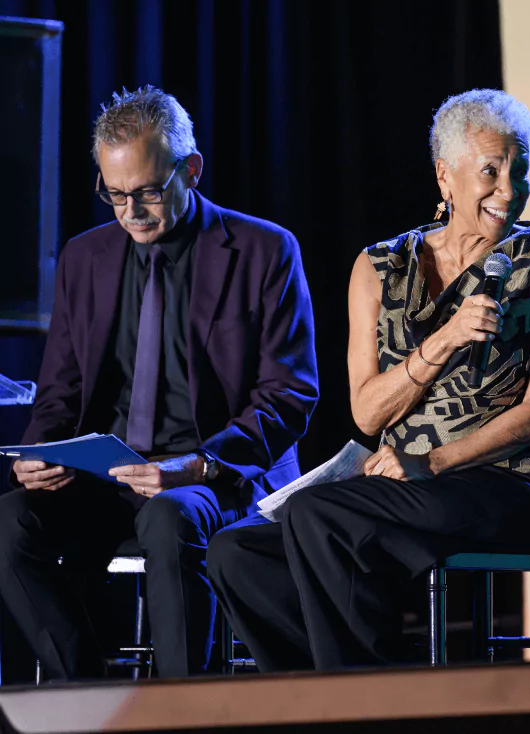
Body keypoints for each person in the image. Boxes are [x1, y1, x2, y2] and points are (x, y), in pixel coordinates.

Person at [207, 88, 530, 671]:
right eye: (491, 170)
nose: (510, 189)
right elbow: (366, 414)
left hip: (517, 482)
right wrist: (444, 340)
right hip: (404, 491)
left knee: (320, 517)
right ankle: (321, 698)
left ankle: (368, 700)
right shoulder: (380, 266)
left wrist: (433, 461)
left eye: (521, 170)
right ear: (445, 176)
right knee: (235, 552)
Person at [0, 86, 319, 680]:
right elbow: (61, 388)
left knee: (169, 518)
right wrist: (41, 453)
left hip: (215, 476)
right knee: (8, 524)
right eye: (115, 194)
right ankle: (88, 695)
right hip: (109, 475)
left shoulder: (264, 250)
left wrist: (196, 466)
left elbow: (289, 394)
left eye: (147, 191)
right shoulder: (84, 257)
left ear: (190, 170)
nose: (131, 212)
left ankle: (177, 710)